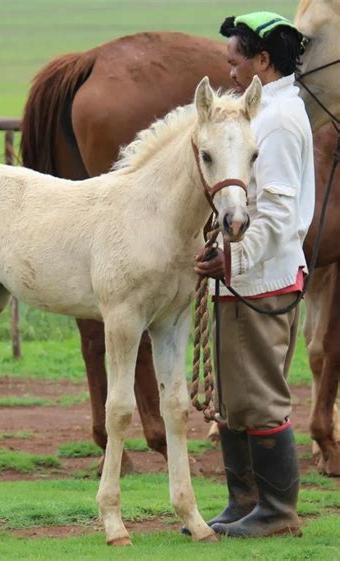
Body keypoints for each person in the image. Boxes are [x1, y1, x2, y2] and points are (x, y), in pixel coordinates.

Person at [193, 12, 315, 538]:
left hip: (261, 281)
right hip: (243, 279)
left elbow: (281, 216)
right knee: (236, 399)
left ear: (263, 61)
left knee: (260, 397)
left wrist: (233, 261)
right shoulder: (261, 113)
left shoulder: (279, 120)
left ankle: (277, 512)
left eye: (236, 62)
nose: (230, 74)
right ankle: (244, 502)